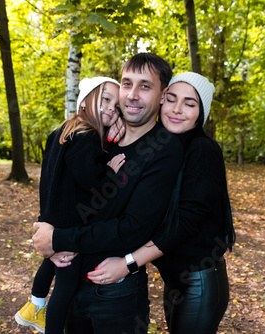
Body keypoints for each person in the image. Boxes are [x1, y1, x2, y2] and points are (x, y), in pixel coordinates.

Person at [32, 53, 185, 334]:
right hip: (70, 279)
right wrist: (47, 231)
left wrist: (57, 239)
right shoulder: (100, 138)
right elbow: (62, 189)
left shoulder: (164, 150)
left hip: (114, 294)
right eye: (127, 84)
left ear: (162, 95)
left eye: (145, 86)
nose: (132, 95)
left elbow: (133, 228)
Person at [87, 72, 236, 334]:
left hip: (199, 281)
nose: (177, 110)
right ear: (161, 101)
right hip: (174, 279)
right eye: (171, 99)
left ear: (201, 113)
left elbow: (184, 224)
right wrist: (118, 121)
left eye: (190, 104)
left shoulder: (202, 149)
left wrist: (128, 263)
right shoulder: (163, 145)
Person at [15, 77, 126, 333]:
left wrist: (46, 218)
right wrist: (109, 173)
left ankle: (34, 303)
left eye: (117, 106)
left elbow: (49, 178)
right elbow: (89, 179)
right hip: (70, 223)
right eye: (106, 99)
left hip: (53, 217)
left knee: (51, 263)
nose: (112, 108)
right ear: (86, 100)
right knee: (65, 287)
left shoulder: (63, 132)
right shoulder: (87, 136)